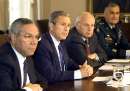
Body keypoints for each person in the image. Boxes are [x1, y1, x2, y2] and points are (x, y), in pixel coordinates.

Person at [33, 11, 93, 84]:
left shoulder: (61, 42)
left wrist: (81, 67)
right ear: (51, 26)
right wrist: (79, 74)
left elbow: (67, 62)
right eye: (63, 24)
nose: (66, 29)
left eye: (68, 25)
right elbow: (49, 75)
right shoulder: (42, 45)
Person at [0, 18, 46, 91]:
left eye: (36, 37)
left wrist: (34, 87)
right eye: (28, 36)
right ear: (13, 37)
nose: (34, 42)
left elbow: (42, 81)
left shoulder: (27, 56)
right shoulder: (3, 60)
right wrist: (28, 89)